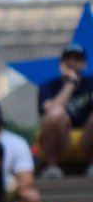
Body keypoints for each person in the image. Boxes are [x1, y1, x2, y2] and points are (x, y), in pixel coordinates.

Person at [37, 41, 93, 179]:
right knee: (56, 114)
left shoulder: (90, 82)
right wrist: (70, 84)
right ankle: (52, 167)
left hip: (87, 138)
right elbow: (50, 112)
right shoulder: (48, 86)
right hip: (61, 138)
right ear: (60, 64)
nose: (72, 63)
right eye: (68, 59)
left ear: (84, 64)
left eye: (77, 59)